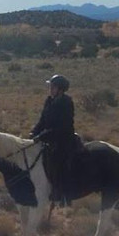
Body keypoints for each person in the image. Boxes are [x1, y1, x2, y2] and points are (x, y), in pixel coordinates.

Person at [29, 74, 77, 206]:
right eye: (50, 86)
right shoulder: (49, 101)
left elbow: (60, 126)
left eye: (53, 87)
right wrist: (34, 132)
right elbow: (42, 120)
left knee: (58, 161)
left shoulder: (66, 103)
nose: (50, 89)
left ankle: (62, 193)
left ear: (60, 89)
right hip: (48, 137)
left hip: (63, 139)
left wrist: (41, 136)